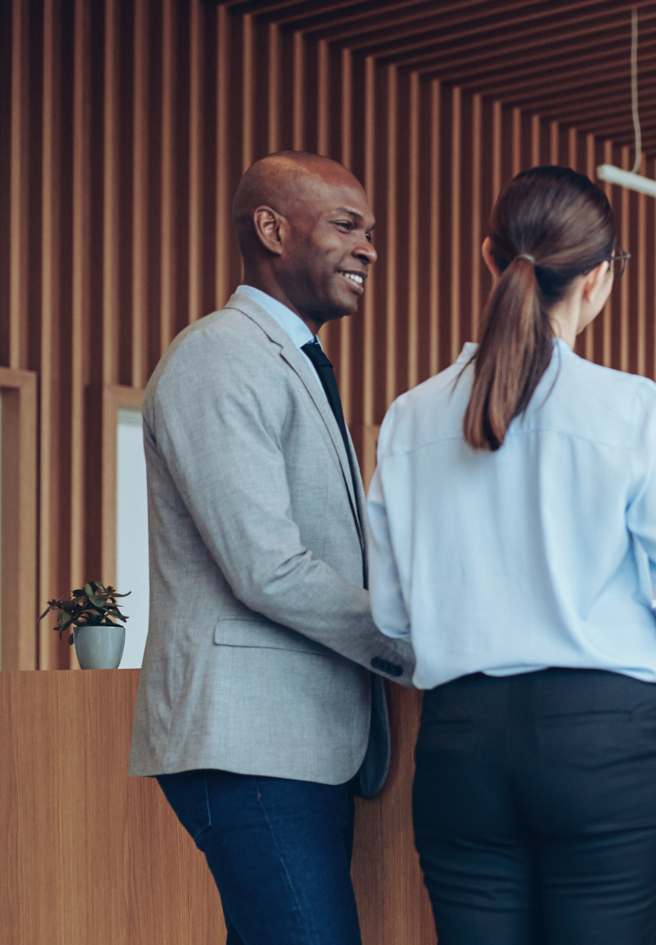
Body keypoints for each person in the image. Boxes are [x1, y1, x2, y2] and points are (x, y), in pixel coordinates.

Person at [364, 165, 656, 945]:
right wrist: (640, 640)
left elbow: (392, 616)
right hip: (608, 739)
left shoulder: (410, 417)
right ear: (599, 279)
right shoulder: (628, 406)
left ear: (490, 257)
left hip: (461, 742)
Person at [130, 150, 412, 945]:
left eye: (371, 231)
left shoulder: (290, 360)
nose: (368, 249)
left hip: (296, 746)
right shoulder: (220, 355)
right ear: (271, 229)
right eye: (347, 226)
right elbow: (267, 567)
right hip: (249, 745)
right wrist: (412, 642)